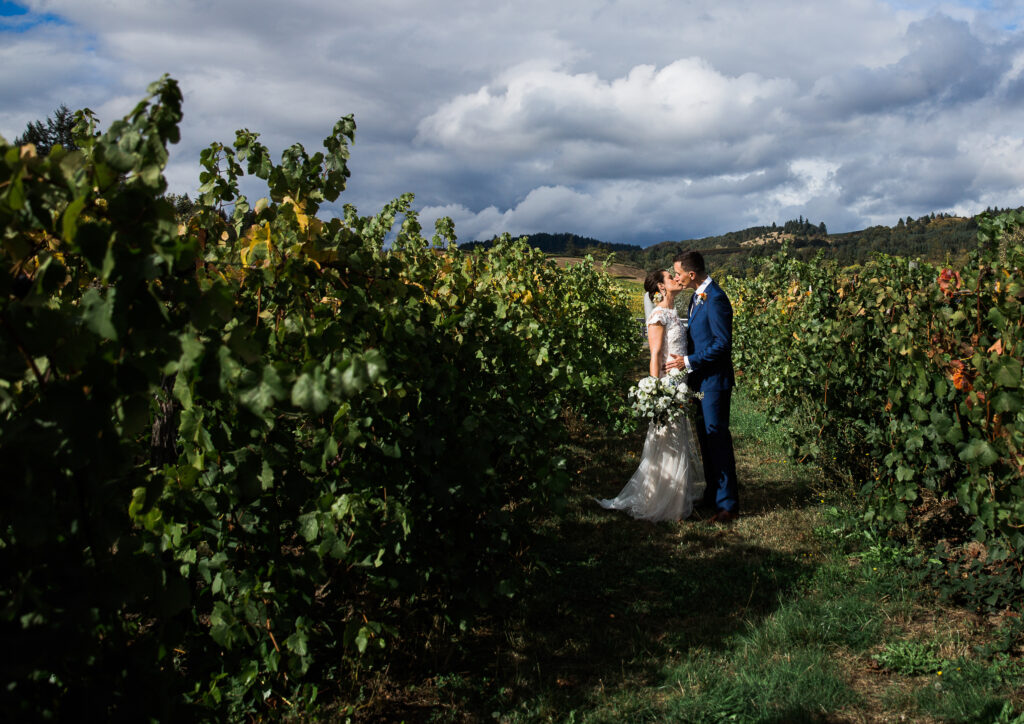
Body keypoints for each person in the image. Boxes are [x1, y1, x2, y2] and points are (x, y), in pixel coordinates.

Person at [598, 269, 704, 521]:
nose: (677, 279)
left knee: (677, 439)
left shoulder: (674, 312)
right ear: (661, 286)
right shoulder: (658, 314)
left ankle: (675, 501)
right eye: (671, 277)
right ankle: (664, 502)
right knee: (668, 441)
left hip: (680, 382)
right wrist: (657, 392)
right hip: (668, 387)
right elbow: (655, 354)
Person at [666, 250, 739, 523]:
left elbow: (722, 344)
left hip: (714, 383)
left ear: (692, 274)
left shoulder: (716, 298)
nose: (677, 278)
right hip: (699, 382)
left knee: (717, 439)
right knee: (705, 439)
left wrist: (687, 361)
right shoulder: (698, 297)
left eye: (678, 273)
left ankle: (728, 506)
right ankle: (713, 494)